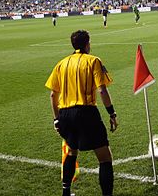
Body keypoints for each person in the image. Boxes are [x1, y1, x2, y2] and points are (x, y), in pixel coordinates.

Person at [45, 30, 118, 196]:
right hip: (86, 112)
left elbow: (52, 94)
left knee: (71, 152)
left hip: (65, 114)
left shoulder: (61, 64)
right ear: (87, 44)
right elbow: (102, 90)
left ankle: (66, 192)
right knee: (105, 157)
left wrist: (56, 119)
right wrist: (112, 113)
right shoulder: (93, 61)